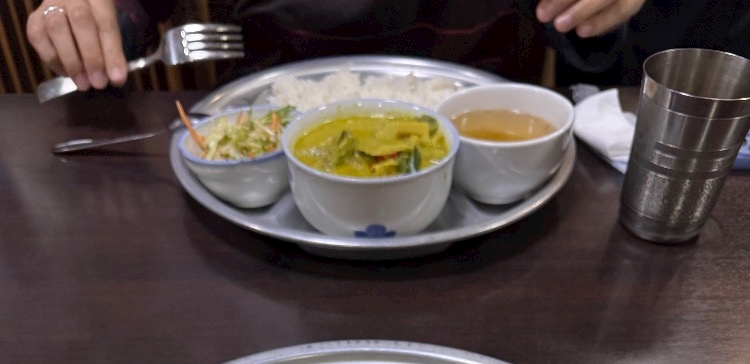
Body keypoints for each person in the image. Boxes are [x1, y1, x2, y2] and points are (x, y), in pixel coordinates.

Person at [26, 0, 646, 94]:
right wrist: (86, 19)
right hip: (264, 152)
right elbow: (128, 13)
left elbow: (589, 40)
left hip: (483, 154)